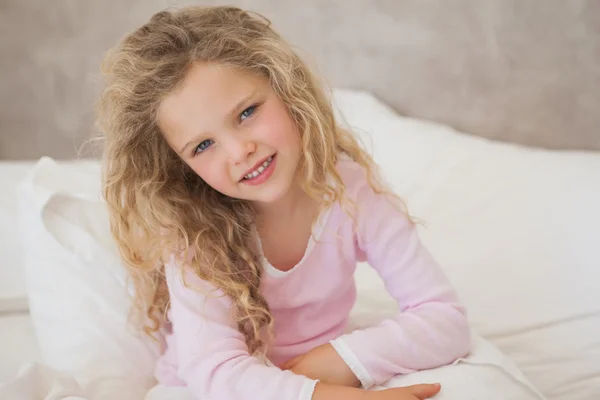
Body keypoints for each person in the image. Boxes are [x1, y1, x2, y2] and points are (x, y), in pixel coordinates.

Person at [97, 6, 471, 400]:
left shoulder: (349, 189)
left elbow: (445, 319)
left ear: (287, 90)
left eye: (247, 112)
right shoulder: (196, 237)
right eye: (204, 145)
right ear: (182, 167)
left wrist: (334, 361)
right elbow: (216, 373)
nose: (241, 150)